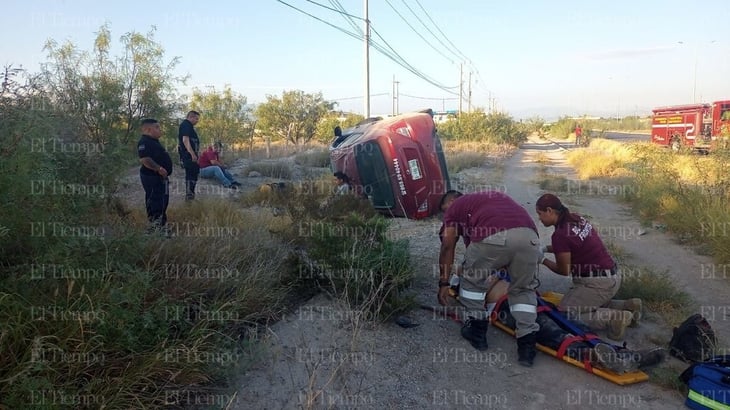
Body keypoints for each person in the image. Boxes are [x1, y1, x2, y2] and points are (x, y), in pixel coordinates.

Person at [438, 190, 542, 367]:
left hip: (494, 235)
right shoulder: (487, 201)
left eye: (444, 210)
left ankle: (477, 333)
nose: (445, 215)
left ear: (453, 201)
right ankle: (527, 346)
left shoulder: (456, 206)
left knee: (472, 282)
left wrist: (444, 282)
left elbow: (448, 246)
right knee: (523, 289)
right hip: (530, 237)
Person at [535, 193, 642, 340]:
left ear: (549, 210)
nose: (539, 219)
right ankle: (628, 306)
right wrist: (546, 249)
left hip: (597, 284)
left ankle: (614, 317)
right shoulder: (576, 218)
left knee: (563, 314)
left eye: (540, 214)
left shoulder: (560, 235)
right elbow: (570, 245)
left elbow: (563, 270)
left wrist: (542, 261)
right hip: (612, 277)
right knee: (589, 301)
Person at [137, 118, 172, 235]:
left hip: (159, 177)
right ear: (148, 129)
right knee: (156, 202)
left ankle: (159, 226)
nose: (160, 130)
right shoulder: (144, 142)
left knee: (161, 201)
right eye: (157, 127)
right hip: (152, 177)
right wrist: (159, 169)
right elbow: (145, 159)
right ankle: (157, 229)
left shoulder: (153, 141)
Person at [178, 110, 201, 201]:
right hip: (188, 156)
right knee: (191, 176)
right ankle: (189, 198)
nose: (197, 121)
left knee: (193, 175)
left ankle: (190, 196)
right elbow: (185, 140)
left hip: (189, 155)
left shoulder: (189, 126)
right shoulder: (186, 124)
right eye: (196, 118)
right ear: (190, 117)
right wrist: (192, 154)